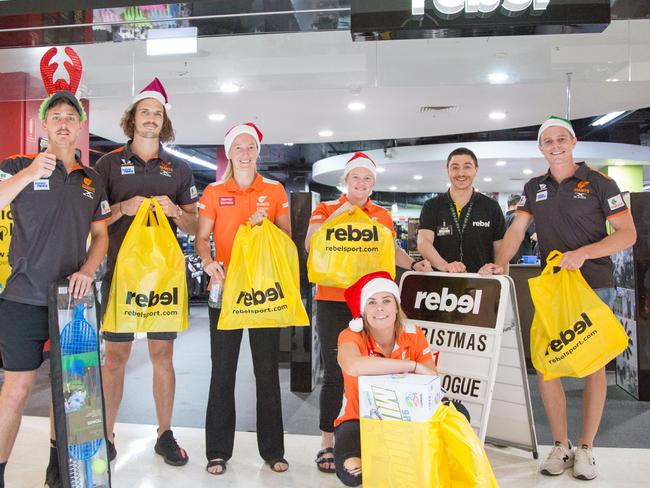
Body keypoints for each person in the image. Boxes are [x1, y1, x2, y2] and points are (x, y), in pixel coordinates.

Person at [483, 116, 637, 480]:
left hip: (594, 284)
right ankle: (561, 444)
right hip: (553, 286)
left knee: (593, 365)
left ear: (573, 141)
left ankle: (586, 448)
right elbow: (517, 229)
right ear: (540, 147)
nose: (555, 146)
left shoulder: (600, 182)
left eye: (561, 139)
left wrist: (585, 252)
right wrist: (500, 263)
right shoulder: (534, 186)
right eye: (547, 141)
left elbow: (627, 233)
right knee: (548, 364)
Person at [0, 89, 110, 488]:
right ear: (43, 125)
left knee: (70, 392)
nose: (63, 122)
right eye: (56, 116)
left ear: (80, 126)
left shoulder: (92, 179)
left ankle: (59, 471)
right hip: (20, 297)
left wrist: (89, 269)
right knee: (17, 388)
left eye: (70, 116)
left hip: (71, 302)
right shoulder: (15, 165)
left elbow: (100, 235)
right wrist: (31, 172)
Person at [304, 152, 432, 473]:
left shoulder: (381, 215)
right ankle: (327, 443)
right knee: (335, 373)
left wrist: (413, 263)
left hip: (371, 303)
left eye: (367, 179)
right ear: (345, 181)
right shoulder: (325, 209)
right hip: (333, 300)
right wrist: (342, 213)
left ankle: (371, 437)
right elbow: (310, 243)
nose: (361, 184)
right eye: (355, 178)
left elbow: (392, 249)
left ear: (373, 184)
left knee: (376, 368)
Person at [95, 78, 199, 466]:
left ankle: (165, 434)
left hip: (162, 278)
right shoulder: (107, 164)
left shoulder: (179, 168)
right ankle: (106, 434)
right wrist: (123, 208)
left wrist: (175, 212)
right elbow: (93, 219)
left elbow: (193, 226)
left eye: (158, 113)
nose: (151, 119)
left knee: (163, 355)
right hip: (120, 275)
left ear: (164, 121)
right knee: (115, 357)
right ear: (132, 119)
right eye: (145, 112)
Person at [196, 122, 291, 475]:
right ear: (229, 153)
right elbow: (202, 238)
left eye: (251, 147)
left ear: (258, 152)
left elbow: (286, 240)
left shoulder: (275, 189)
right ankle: (217, 451)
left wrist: (260, 226)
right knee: (222, 371)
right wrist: (207, 263)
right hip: (224, 291)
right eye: (239, 147)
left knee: (266, 372)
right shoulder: (213, 191)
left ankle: (273, 449)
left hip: (263, 294)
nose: (245, 153)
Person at [334, 271, 437, 486]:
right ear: (363, 310)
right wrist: (411, 366)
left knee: (458, 414)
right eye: (371, 302)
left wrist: (417, 368)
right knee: (354, 472)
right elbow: (352, 364)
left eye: (386, 300)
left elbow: (432, 378)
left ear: (397, 306)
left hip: (408, 422)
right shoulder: (351, 334)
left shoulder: (413, 333)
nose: (379, 308)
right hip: (358, 419)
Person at [417, 147, 506, 274]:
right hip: (441, 286)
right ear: (448, 170)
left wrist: (500, 276)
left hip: (481, 284)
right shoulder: (432, 206)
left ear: (476, 170)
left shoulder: (491, 206)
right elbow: (423, 242)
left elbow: (501, 249)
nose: (461, 173)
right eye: (455, 167)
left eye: (467, 167)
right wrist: (445, 266)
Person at [505, 194, 537, 264]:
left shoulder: (502, 218)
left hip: (507, 261)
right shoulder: (522, 218)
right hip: (523, 261)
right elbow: (535, 237)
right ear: (519, 204)